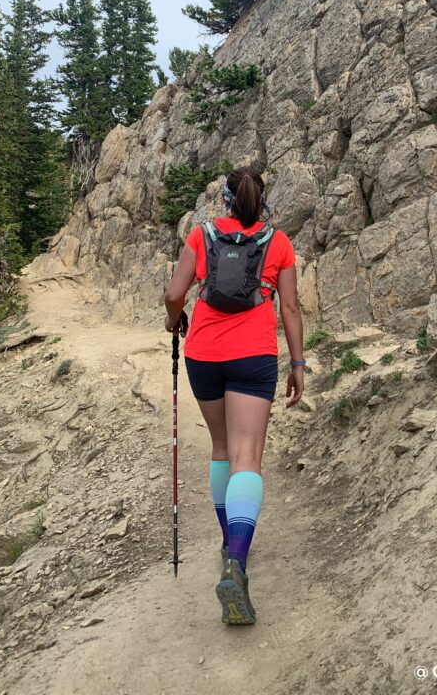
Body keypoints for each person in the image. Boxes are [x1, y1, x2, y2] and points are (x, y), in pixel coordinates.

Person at [163, 166, 305, 625]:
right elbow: (289, 307)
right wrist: (298, 364)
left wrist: (175, 321)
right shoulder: (278, 243)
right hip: (253, 356)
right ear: (261, 200)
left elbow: (173, 293)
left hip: (203, 353)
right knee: (248, 455)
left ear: (224, 199)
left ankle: (229, 541)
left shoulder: (200, 235)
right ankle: (237, 562)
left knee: (222, 448)